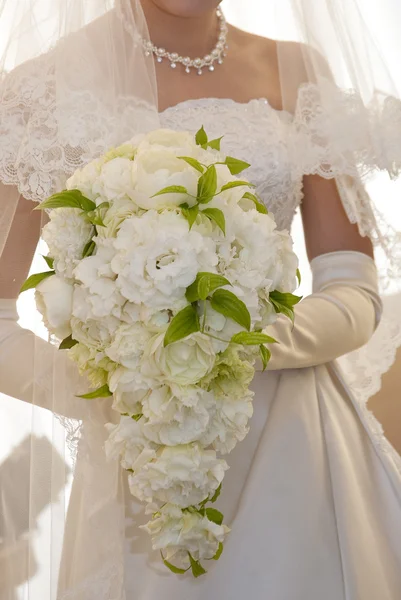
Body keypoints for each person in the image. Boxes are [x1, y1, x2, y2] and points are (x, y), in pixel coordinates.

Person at [0, 1, 400, 598]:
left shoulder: (296, 68)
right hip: (140, 465)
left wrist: (240, 346)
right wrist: (123, 385)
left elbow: (352, 288)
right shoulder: (40, 90)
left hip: (298, 448)